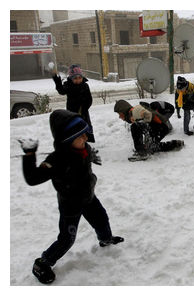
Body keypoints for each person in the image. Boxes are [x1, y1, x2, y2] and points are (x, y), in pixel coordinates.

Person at [19, 110, 123, 284]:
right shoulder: (57, 159)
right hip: (70, 204)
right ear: (66, 140)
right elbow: (33, 178)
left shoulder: (84, 148)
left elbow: (85, 156)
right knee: (67, 238)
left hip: (88, 196)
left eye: (85, 134)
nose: (85, 139)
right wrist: (30, 155)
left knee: (101, 219)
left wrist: (92, 157)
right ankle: (43, 263)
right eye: (80, 136)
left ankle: (105, 239)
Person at [114, 100, 184, 161]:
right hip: (160, 128)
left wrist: (147, 134)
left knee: (134, 126)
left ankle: (141, 153)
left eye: (120, 114)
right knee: (151, 147)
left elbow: (148, 115)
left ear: (123, 110)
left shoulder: (135, 111)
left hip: (161, 128)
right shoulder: (132, 114)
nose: (119, 117)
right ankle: (175, 144)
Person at [52, 64, 95, 143]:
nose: (78, 80)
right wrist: (57, 80)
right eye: (75, 78)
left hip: (84, 111)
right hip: (72, 112)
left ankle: (88, 143)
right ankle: (76, 143)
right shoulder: (68, 85)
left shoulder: (85, 86)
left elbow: (89, 98)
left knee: (86, 127)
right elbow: (61, 91)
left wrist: (84, 107)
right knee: (75, 127)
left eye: (79, 78)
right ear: (71, 78)